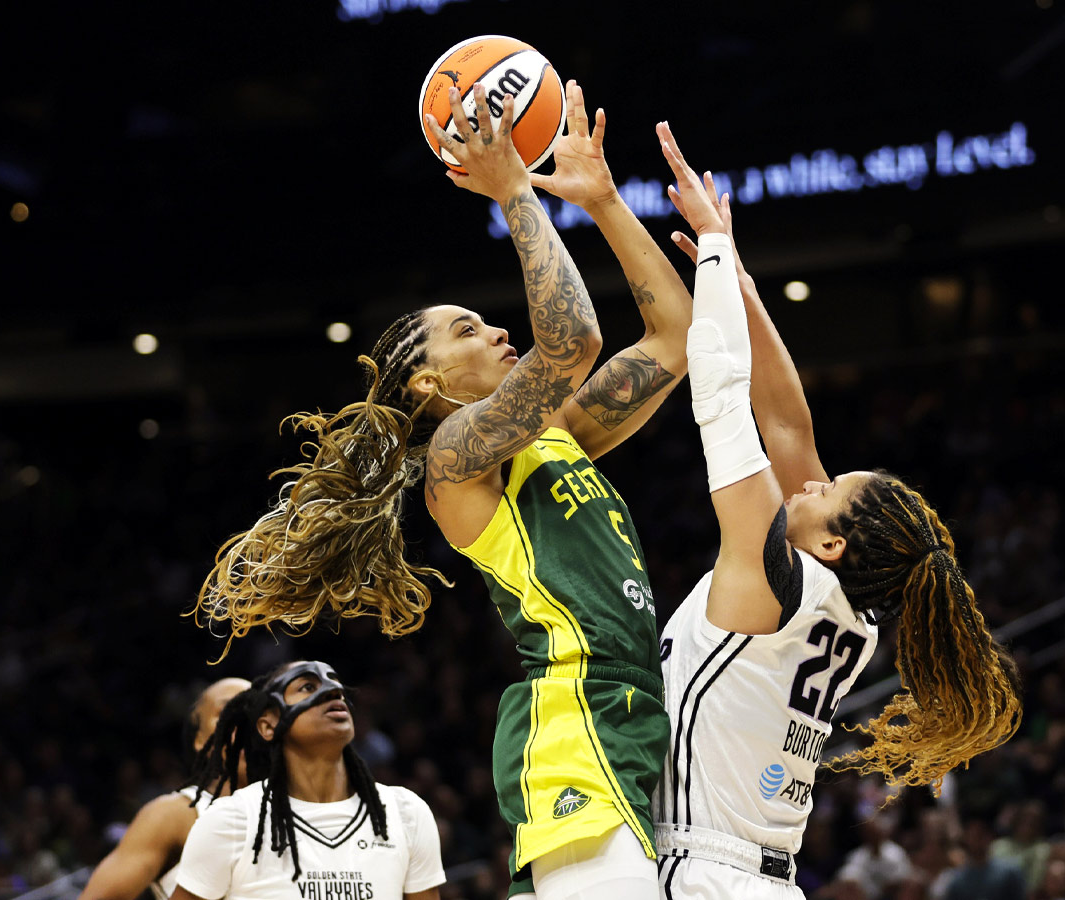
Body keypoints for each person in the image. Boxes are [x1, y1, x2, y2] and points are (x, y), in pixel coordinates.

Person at [195, 81, 694, 900]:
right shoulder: (458, 457)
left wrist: (603, 200)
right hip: (574, 723)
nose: (497, 330)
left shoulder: (557, 429)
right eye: (467, 329)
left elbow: (673, 338)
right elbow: (571, 341)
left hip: (637, 717)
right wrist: (516, 192)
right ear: (427, 381)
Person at [648, 126, 1022, 898]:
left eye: (826, 491)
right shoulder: (849, 609)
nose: (808, 486)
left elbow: (724, 402)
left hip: (707, 874)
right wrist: (743, 283)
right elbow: (788, 425)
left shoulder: (776, 575)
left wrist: (718, 256)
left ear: (832, 544)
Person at [171, 661, 444, 900]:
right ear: (269, 726)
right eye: (307, 687)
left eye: (335, 683)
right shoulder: (231, 819)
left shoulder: (406, 811)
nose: (332, 690)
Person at [78, 677, 252, 900]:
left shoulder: (298, 814)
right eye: (226, 713)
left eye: (253, 713)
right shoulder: (175, 815)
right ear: (199, 739)